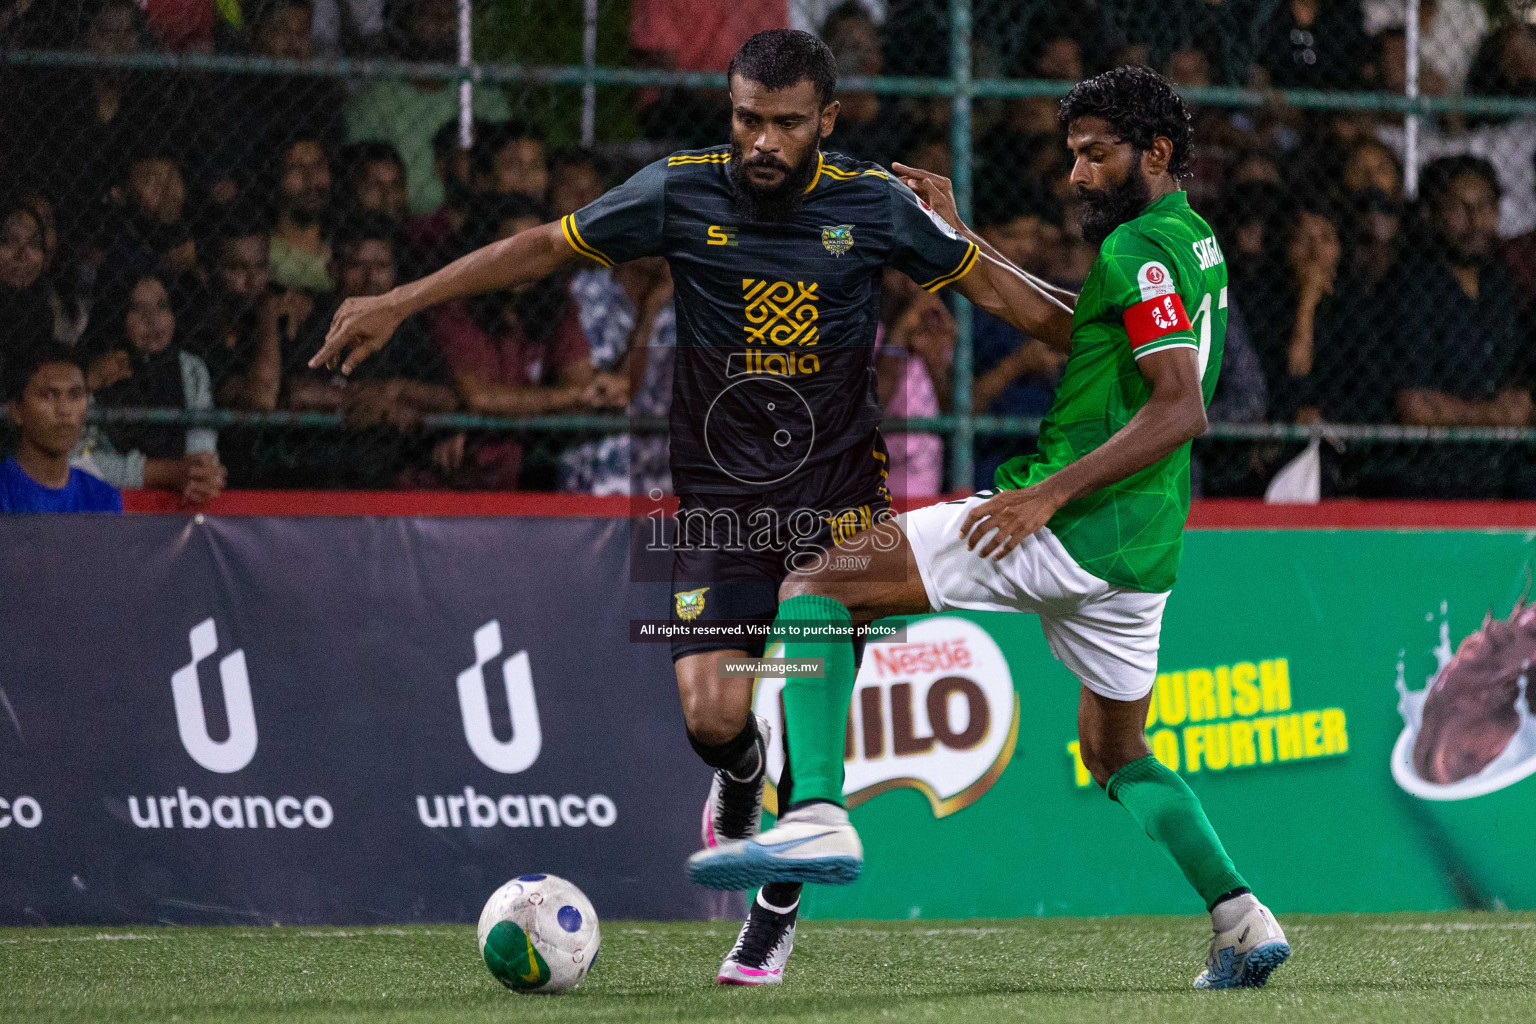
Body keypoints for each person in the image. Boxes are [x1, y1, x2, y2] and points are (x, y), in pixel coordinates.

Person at [313, 29, 1061, 986]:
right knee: (713, 718)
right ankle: (738, 773)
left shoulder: (873, 206)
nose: (762, 141)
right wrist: (401, 299)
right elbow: (543, 248)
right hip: (719, 507)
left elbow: (1013, 298)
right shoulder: (680, 188)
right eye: (748, 117)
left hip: (836, 508)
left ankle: (770, 921)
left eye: (787, 124)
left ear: (826, 123)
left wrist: (1134, 340)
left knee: (805, 712)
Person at [688, 67, 1292, 991]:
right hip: (1140, 555)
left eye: (1095, 156)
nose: (1077, 176)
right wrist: (964, 242)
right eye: (1072, 156)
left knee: (815, 582)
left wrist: (1046, 498)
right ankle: (1242, 919)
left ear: (1155, 153)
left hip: (1065, 525)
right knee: (1115, 750)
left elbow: (1179, 410)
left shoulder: (1140, 250)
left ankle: (813, 807)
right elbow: (1072, 327)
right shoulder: (1187, 241)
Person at [1383, 156, 1532, 497]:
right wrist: (1490, 417)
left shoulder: (1499, 284)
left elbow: (1519, 390)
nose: (1475, 220)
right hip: (1431, 467)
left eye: (1485, 206)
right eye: (1460, 208)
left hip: (1503, 463)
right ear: (1430, 215)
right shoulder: (1410, 287)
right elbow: (1414, 407)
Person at [283, 215, 459, 488]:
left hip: (391, 470)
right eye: (357, 266)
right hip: (316, 467)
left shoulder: (408, 328)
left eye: (381, 266)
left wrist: (394, 391)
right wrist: (376, 406)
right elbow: (295, 391)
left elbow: (447, 397)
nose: (370, 279)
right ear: (333, 270)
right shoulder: (309, 321)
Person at [344, 0, 510, 215]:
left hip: (473, 221)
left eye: (448, 14)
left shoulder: (487, 99)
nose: (439, 23)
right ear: (405, 23)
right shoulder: (373, 99)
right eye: (427, 14)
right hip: (392, 225)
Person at [78, 273, 227, 503]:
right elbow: (79, 462)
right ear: (117, 315)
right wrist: (167, 473)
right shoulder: (94, 371)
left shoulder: (191, 368)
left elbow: (201, 445)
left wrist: (199, 473)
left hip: (182, 495)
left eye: (162, 306)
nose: (152, 319)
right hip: (106, 498)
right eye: (137, 309)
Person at [2, 344, 122, 513]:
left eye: (75, 395)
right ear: (16, 411)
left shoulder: (102, 498)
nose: (65, 410)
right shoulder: (4, 493)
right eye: (48, 395)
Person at [269, 136, 336, 293]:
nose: (311, 180)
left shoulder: (344, 248)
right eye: (296, 168)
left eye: (319, 166)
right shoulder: (263, 255)